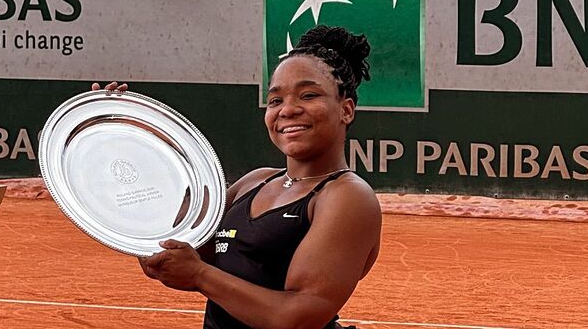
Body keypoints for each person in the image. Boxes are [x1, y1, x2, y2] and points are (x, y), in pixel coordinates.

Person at [93, 24, 381, 329]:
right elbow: (166, 256)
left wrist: (201, 275)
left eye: (308, 95)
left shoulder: (348, 197)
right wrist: (118, 144)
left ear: (346, 110)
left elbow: (299, 317)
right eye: (275, 100)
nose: (288, 110)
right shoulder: (253, 182)